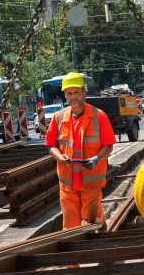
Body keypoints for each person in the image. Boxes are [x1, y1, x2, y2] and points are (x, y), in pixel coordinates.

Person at [45, 72, 116, 229]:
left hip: (91, 183)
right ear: (65, 95)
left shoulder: (99, 116)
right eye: (69, 93)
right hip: (67, 185)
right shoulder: (58, 117)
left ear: (84, 92)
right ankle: (74, 251)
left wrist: (96, 159)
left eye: (76, 92)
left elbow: (109, 145)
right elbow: (51, 145)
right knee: (70, 227)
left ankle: (101, 238)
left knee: (93, 221)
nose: (73, 96)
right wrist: (59, 156)